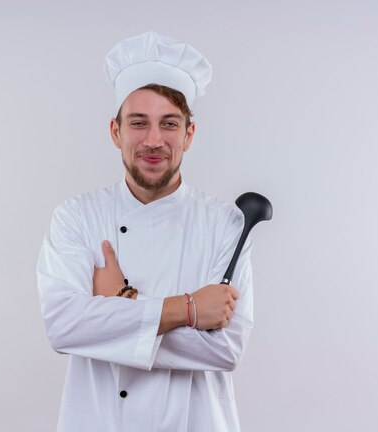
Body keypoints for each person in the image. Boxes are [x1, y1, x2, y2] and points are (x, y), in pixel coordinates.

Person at [37, 31, 254, 432]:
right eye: (138, 123)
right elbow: (64, 326)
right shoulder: (77, 216)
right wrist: (188, 309)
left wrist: (118, 306)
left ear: (189, 134)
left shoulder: (228, 223)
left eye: (169, 123)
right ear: (116, 131)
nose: (154, 140)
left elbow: (224, 349)